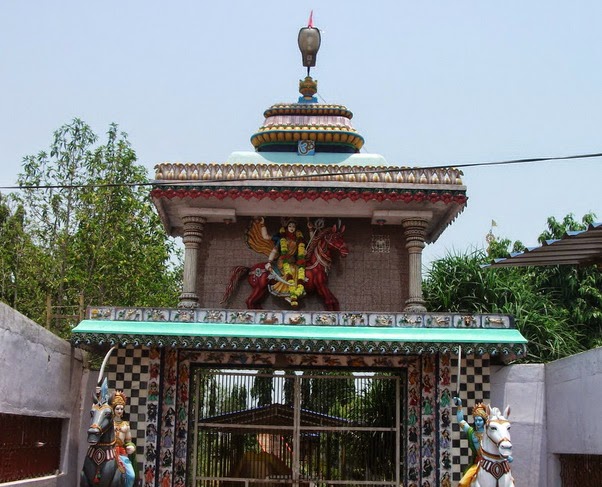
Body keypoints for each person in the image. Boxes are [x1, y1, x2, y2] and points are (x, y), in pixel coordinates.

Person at [264, 218, 310, 306]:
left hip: (292, 261)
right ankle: (289, 293)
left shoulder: (298, 240)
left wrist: (310, 229)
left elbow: (312, 241)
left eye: (293, 226)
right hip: (282, 261)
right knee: (292, 271)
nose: (292, 228)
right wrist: (269, 262)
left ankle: (294, 294)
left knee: (297, 270)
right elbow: (273, 248)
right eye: (290, 226)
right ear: (286, 227)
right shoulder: (282, 239)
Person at [453, 397, 488, 487]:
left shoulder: (489, 433)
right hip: (478, 464)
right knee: (463, 483)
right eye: (476, 420)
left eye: (480, 420)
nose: (477, 422)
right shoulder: (472, 432)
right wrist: (459, 405)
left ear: (484, 421)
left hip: (491, 462)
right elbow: (461, 421)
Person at [112, 391, 136, 487]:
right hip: (109, 453)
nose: (119, 411)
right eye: (117, 408)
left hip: (122, 454)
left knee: (131, 475)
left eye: (121, 409)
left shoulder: (126, 425)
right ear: (113, 409)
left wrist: (131, 447)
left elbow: (128, 441)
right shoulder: (108, 423)